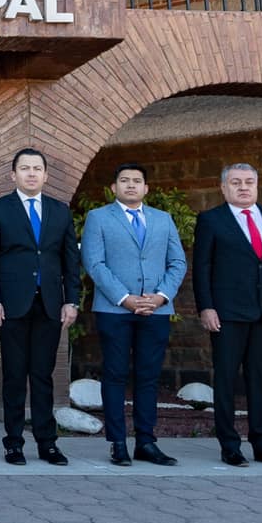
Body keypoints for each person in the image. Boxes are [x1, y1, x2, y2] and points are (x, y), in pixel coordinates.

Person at [0, 148, 80, 466]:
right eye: (25, 168)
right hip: (11, 305)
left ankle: (48, 444)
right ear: (14, 175)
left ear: (46, 176)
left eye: (37, 168)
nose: (31, 173)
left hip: (49, 304)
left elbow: (70, 261)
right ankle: (14, 443)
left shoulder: (59, 211)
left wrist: (71, 300)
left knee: (43, 376)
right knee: (14, 375)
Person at [80, 162, 187, 467]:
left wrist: (161, 296)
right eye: (124, 180)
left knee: (149, 376)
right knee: (114, 374)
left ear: (146, 188)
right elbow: (95, 263)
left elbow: (177, 262)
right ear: (114, 187)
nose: (130, 185)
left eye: (137, 181)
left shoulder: (163, 219)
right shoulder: (98, 218)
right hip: (114, 309)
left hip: (156, 309)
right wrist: (125, 298)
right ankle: (117, 442)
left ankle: (146, 441)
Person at [192, 163, 262, 467]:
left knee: (260, 379)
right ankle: (229, 445)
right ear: (223, 187)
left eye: (249, 182)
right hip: (226, 313)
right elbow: (203, 268)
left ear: (257, 185)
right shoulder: (211, 220)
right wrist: (206, 307)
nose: (243, 187)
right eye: (236, 182)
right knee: (226, 379)